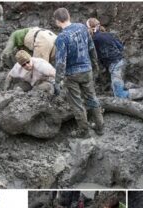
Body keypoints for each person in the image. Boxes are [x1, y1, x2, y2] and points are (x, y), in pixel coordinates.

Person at [53, 7, 104, 137]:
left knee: (77, 104)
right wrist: (95, 65)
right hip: (87, 70)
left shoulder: (61, 38)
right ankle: (100, 127)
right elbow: (91, 48)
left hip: (72, 75)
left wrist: (57, 82)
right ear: (69, 16)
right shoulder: (82, 27)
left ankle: (84, 131)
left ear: (57, 21)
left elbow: (60, 62)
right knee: (92, 98)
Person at [86, 18, 129, 98]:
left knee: (119, 94)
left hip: (115, 66)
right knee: (118, 87)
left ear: (90, 28)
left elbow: (92, 56)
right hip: (121, 62)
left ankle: (140, 93)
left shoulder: (94, 39)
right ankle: (132, 88)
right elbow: (121, 47)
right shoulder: (108, 34)